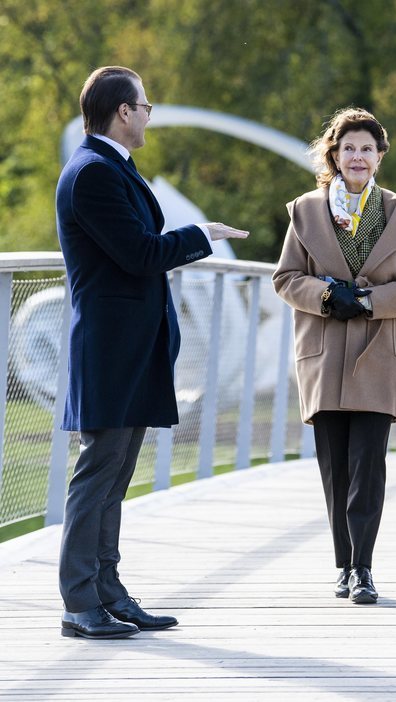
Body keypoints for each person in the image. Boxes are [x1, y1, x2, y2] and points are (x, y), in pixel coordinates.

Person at [57, 66, 249, 639]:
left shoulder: (110, 166)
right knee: (97, 475)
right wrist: (201, 233)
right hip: (111, 351)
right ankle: (78, 602)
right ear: (124, 112)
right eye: (145, 105)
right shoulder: (92, 173)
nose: (149, 114)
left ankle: (109, 592)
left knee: (115, 478)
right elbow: (140, 254)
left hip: (131, 350)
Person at [273, 108, 396, 605]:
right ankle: (343, 566)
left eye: (366, 149)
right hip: (323, 354)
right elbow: (285, 278)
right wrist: (324, 295)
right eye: (348, 149)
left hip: (379, 351)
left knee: (369, 465)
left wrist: (364, 301)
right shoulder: (305, 212)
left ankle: (363, 567)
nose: (357, 157)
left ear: (380, 156)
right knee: (334, 467)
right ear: (333, 156)